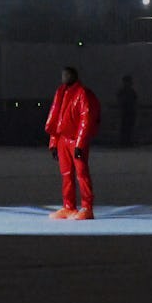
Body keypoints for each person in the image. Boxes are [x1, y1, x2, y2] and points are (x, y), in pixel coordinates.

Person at [45, 65, 100, 220]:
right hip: (63, 139)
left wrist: (80, 144)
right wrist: (54, 142)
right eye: (63, 75)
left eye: (67, 75)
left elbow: (86, 119)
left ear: (74, 76)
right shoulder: (61, 93)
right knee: (66, 174)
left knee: (81, 173)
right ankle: (68, 206)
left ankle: (87, 207)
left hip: (76, 139)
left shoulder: (82, 93)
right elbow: (57, 119)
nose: (64, 78)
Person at [116, 74, 137, 146]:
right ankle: (124, 141)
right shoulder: (125, 92)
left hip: (129, 112)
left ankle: (127, 141)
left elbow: (134, 102)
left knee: (128, 128)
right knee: (124, 128)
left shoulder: (131, 92)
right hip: (125, 112)